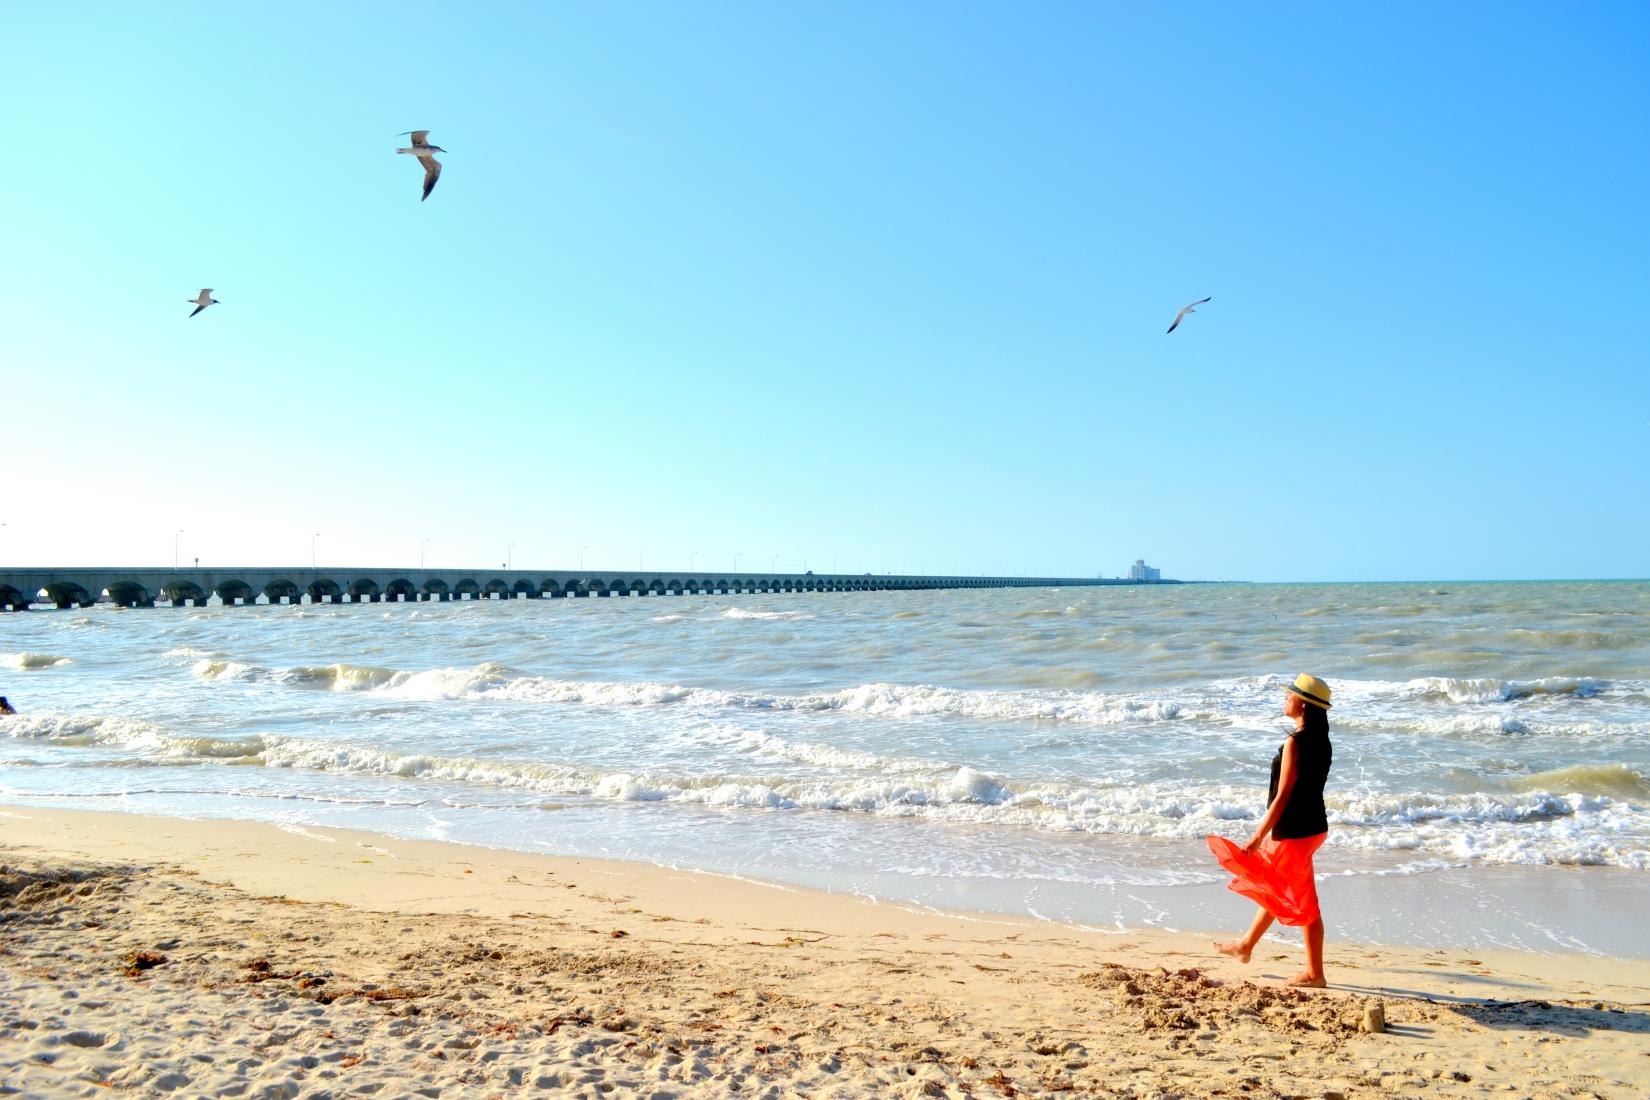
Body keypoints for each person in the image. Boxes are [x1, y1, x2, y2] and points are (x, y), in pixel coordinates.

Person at [1207, 673, 1333, 987]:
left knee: (1302, 902)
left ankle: (1315, 974)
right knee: (1275, 887)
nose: (1284, 698)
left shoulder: (1295, 742)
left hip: (1293, 831)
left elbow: (1284, 795)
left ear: (1302, 703)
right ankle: (1245, 946)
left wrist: (1257, 836)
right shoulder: (1321, 739)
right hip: (1313, 827)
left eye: (1289, 695)